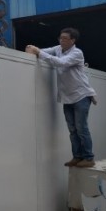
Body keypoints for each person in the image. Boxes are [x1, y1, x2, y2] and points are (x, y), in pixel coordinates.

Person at [26, 28, 97, 168]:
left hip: (81, 95)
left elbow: (61, 62)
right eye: (60, 38)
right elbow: (44, 51)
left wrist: (37, 52)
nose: (61, 41)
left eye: (65, 38)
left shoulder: (77, 53)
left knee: (81, 128)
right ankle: (77, 157)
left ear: (73, 40)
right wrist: (32, 49)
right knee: (72, 130)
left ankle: (89, 158)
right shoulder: (58, 49)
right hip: (67, 98)